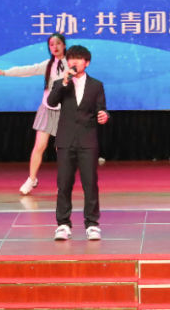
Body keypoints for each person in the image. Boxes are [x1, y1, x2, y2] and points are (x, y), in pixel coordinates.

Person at [45, 44, 108, 241]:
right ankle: (63, 224)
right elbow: (51, 102)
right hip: (66, 140)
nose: (74, 62)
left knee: (90, 183)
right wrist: (64, 82)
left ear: (86, 63)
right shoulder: (61, 83)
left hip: (88, 140)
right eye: (71, 58)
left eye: (78, 58)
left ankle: (92, 224)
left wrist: (105, 116)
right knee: (64, 183)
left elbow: (101, 109)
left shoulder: (96, 85)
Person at [0, 32, 69, 195]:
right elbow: (26, 70)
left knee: (61, 149)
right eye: (51, 44)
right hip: (47, 109)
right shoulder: (47, 65)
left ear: (64, 45)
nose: (55, 47)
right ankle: (32, 179)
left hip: (65, 112)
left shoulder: (71, 64)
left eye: (58, 43)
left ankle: (63, 183)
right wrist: (5, 72)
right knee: (39, 146)